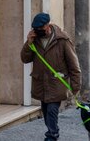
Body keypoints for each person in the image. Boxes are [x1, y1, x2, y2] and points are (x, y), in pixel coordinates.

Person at [21, 12, 81, 141]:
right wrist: (28, 43)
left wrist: (75, 87)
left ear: (47, 25)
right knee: (45, 109)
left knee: (52, 110)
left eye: (40, 28)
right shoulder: (35, 39)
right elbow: (25, 59)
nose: (38, 31)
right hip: (41, 82)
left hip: (56, 82)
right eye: (36, 29)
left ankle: (52, 135)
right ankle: (52, 130)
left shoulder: (62, 40)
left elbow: (74, 65)